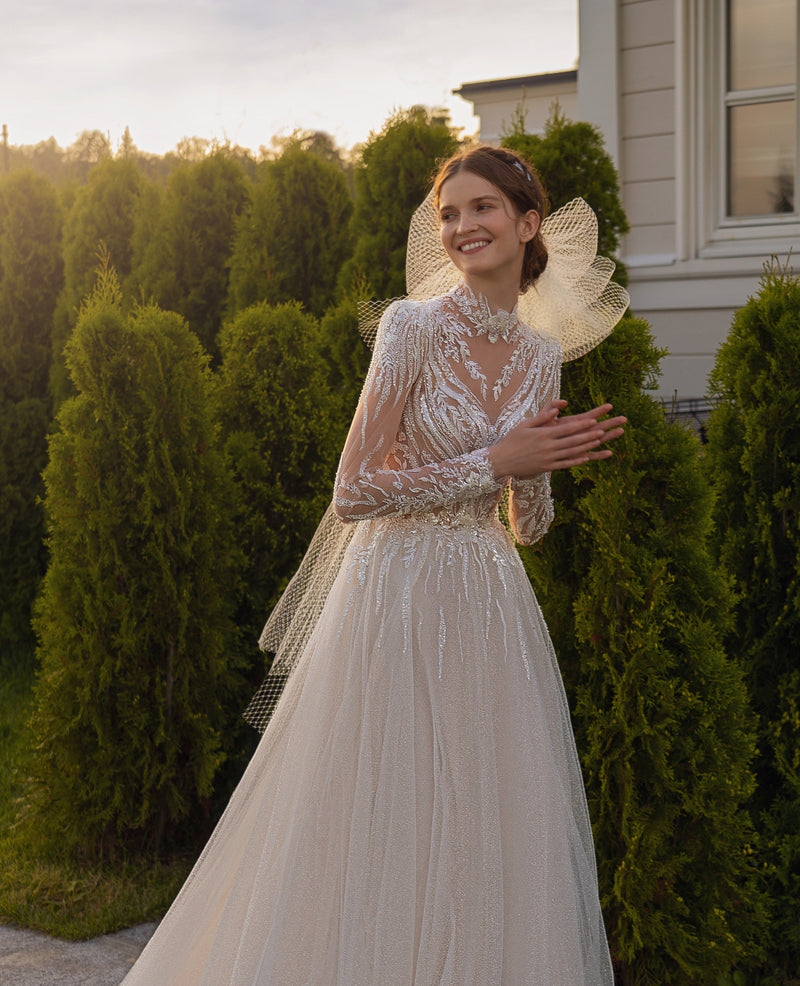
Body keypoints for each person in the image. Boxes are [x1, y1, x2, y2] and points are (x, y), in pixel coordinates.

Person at [122, 145, 628, 985]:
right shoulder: (411, 328)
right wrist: (494, 459)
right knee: (380, 810)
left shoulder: (544, 357)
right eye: (450, 214)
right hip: (394, 594)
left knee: (482, 822)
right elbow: (354, 489)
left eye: (482, 209)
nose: (463, 227)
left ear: (528, 223)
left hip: (491, 609)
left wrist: (538, 465)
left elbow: (527, 527)